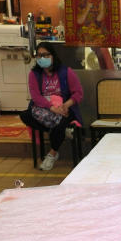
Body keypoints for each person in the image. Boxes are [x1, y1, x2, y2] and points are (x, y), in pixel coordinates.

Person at [25, 42, 83, 171]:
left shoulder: (66, 72)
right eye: (39, 55)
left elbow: (78, 93)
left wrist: (66, 105)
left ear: (53, 56)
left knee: (60, 123)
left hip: (65, 108)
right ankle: (64, 132)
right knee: (27, 116)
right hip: (44, 109)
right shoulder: (34, 74)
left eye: (45, 55)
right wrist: (51, 107)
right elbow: (36, 96)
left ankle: (52, 154)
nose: (42, 58)